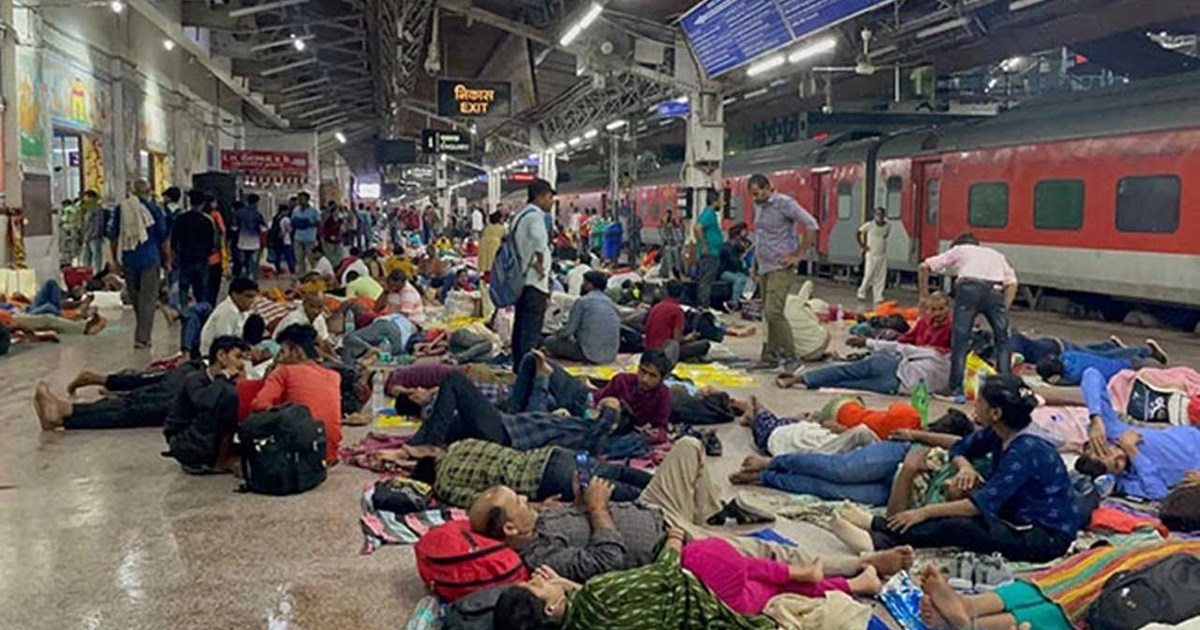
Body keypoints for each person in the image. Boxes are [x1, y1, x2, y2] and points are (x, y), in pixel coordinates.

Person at [471, 437, 916, 586]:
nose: (520, 495)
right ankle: (862, 564)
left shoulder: (540, 518)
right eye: (512, 499)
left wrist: (573, 503)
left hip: (653, 510)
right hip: (668, 543)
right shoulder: (540, 558)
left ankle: (712, 512)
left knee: (687, 447)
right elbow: (606, 559)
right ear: (510, 526)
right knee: (764, 553)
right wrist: (597, 510)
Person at [836, 375, 1077, 562]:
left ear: (995, 413)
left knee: (959, 526)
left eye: (980, 402)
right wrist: (964, 467)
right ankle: (883, 534)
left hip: (1042, 535)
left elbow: (979, 505)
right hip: (1012, 514)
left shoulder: (1027, 449)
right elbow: (961, 447)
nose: (975, 405)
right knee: (951, 513)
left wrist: (923, 512)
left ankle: (879, 535)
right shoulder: (999, 432)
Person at [730, 412, 973, 506]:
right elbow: (959, 444)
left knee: (830, 490)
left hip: (902, 491)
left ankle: (766, 478)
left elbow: (896, 516)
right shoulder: (989, 453)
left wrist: (908, 475)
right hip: (906, 454)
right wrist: (914, 435)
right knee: (840, 469)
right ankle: (773, 463)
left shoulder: (965, 508)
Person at [396, 439, 653, 508]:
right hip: (555, 455)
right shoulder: (458, 445)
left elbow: (490, 500)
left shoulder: (443, 487)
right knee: (617, 471)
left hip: (549, 481)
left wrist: (537, 505)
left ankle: (674, 504)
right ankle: (679, 484)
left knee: (619, 493)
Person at [1074, 367, 1200, 501]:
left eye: (1106, 451)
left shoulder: (1112, 432)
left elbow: (1092, 373)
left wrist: (1096, 418)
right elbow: (1158, 494)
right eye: (1117, 464)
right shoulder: (1126, 482)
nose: (1120, 453)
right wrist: (1133, 453)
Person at [919, 233, 1017, 401]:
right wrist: (1003, 308)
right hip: (995, 290)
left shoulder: (959, 250)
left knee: (960, 342)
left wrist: (924, 296)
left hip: (969, 289)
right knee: (1002, 341)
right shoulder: (996, 254)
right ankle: (1005, 387)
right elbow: (1012, 283)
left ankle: (955, 390)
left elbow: (924, 266)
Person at [748, 173, 820, 369]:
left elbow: (811, 224)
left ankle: (790, 356)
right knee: (767, 312)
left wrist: (799, 254)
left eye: (757, 193)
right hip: (764, 266)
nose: (755, 198)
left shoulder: (784, 203)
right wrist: (754, 264)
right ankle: (769, 356)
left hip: (781, 267)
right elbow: (760, 236)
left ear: (767, 188)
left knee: (774, 312)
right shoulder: (759, 206)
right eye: (752, 195)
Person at [34, 355, 213, 431]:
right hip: (205, 384)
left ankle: (65, 412)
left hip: (199, 373)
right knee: (143, 406)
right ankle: (65, 413)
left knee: (142, 397)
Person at [249, 324, 342, 463]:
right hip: (328, 453)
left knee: (252, 421)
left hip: (296, 456)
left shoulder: (284, 371)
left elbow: (258, 405)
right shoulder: (334, 375)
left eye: (282, 352)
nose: (279, 358)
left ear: (297, 351)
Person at [162, 336, 250, 474]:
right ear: (221, 355)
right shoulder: (194, 379)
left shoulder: (228, 382)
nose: (241, 364)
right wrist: (222, 378)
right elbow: (205, 402)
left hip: (204, 438)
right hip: (183, 441)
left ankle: (226, 455)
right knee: (229, 396)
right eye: (238, 357)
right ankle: (221, 460)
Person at [109, 179, 169, 349]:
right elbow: (163, 237)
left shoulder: (122, 209)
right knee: (147, 300)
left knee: (136, 299)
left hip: (129, 258)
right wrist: (167, 259)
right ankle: (142, 338)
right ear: (148, 191)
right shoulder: (154, 209)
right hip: (150, 258)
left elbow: (113, 237)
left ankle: (142, 334)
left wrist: (114, 259)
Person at [778, 337, 950, 396]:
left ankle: (797, 379)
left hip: (891, 368)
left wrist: (868, 342)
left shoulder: (935, 354)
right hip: (896, 386)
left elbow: (900, 347)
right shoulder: (959, 379)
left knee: (843, 373)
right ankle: (800, 380)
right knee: (843, 384)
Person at [511, 179, 555, 371]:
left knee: (520, 328)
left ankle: (518, 367)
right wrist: (539, 260)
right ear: (540, 196)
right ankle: (528, 372)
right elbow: (538, 239)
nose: (551, 202)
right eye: (549, 197)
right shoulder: (536, 216)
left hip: (520, 281)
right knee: (531, 331)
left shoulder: (519, 215)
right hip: (534, 282)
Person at [544, 271, 620, 365]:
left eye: (584, 282)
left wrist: (556, 333)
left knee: (549, 341)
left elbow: (568, 332)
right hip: (611, 355)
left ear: (590, 285)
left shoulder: (582, 301)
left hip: (589, 354)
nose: (581, 285)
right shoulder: (611, 303)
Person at [1037, 342, 1166, 386]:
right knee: (1106, 354)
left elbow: (1059, 381)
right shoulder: (1068, 355)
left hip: (1123, 372)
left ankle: (1148, 356)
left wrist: (1050, 381)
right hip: (1117, 362)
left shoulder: (1072, 377)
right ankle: (1147, 351)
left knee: (1148, 371)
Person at [644, 280, 710, 366]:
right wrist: (689, 338)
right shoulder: (677, 310)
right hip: (665, 353)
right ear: (681, 294)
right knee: (704, 344)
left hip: (649, 350)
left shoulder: (657, 306)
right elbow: (677, 340)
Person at [172, 190, 218, 308]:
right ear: (203, 204)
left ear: (190, 202)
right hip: (202, 260)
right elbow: (212, 243)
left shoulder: (181, 218)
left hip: (184, 259)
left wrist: (175, 256)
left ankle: (184, 311)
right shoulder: (207, 220)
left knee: (183, 287)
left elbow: (174, 239)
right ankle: (200, 312)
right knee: (201, 289)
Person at [1008, 331, 1161, 366]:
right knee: (1090, 351)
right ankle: (1110, 345)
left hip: (1060, 351)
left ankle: (1146, 351)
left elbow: (1015, 359)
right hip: (1056, 345)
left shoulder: (1011, 343)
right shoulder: (1010, 340)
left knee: (1102, 358)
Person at [199, 277, 259, 356]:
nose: (252, 301)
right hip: (214, 358)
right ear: (235, 294)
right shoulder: (228, 311)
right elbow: (225, 344)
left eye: (254, 297)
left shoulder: (242, 311)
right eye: (248, 296)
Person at [694, 189, 725, 309]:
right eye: (721, 201)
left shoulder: (709, 213)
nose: (723, 204)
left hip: (712, 252)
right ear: (715, 201)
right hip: (710, 253)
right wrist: (704, 245)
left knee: (706, 279)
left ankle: (703, 304)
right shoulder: (708, 213)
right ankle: (704, 305)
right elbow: (698, 228)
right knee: (706, 280)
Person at [857, 207, 891, 304]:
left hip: (882, 254)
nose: (879, 216)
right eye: (877, 214)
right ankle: (861, 291)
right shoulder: (869, 225)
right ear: (874, 215)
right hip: (871, 254)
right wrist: (863, 246)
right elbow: (859, 232)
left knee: (881, 276)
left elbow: (886, 235)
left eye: (881, 214)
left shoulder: (888, 225)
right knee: (869, 274)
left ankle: (878, 295)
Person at [719, 222, 752, 309]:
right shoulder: (727, 248)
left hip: (733, 271)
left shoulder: (736, 247)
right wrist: (742, 255)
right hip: (723, 272)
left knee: (746, 279)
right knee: (739, 279)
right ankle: (734, 302)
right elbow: (734, 263)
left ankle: (742, 297)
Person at [233, 194, 266, 279]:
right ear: (256, 203)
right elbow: (263, 228)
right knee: (254, 261)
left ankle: (243, 276)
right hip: (254, 241)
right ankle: (253, 278)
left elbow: (234, 227)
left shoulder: (239, 213)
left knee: (243, 261)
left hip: (241, 241)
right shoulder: (257, 214)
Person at [291, 193, 321, 275]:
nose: (300, 201)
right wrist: (298, 223)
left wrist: (308, 224)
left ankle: (314, 274)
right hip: (298, 238)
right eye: (299, 199)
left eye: (302, 199)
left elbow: (319, 223)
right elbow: (293, 222)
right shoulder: (296, 210)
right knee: (299, 258)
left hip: (310, 238)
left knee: (311, 258)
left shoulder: (313, 211)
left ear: (307, 200)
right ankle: (301, 275)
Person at [79, 190, 106, 273]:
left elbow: (99, 223)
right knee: (86, 257)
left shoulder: (97, 208)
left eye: (86, 197)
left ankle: (97, 273)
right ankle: (86, 273)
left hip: (94, 237)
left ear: (91, 197)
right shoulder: (86, 208)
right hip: (86, 236)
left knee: (96, 256)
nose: (84, 199)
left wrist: (95, 234)